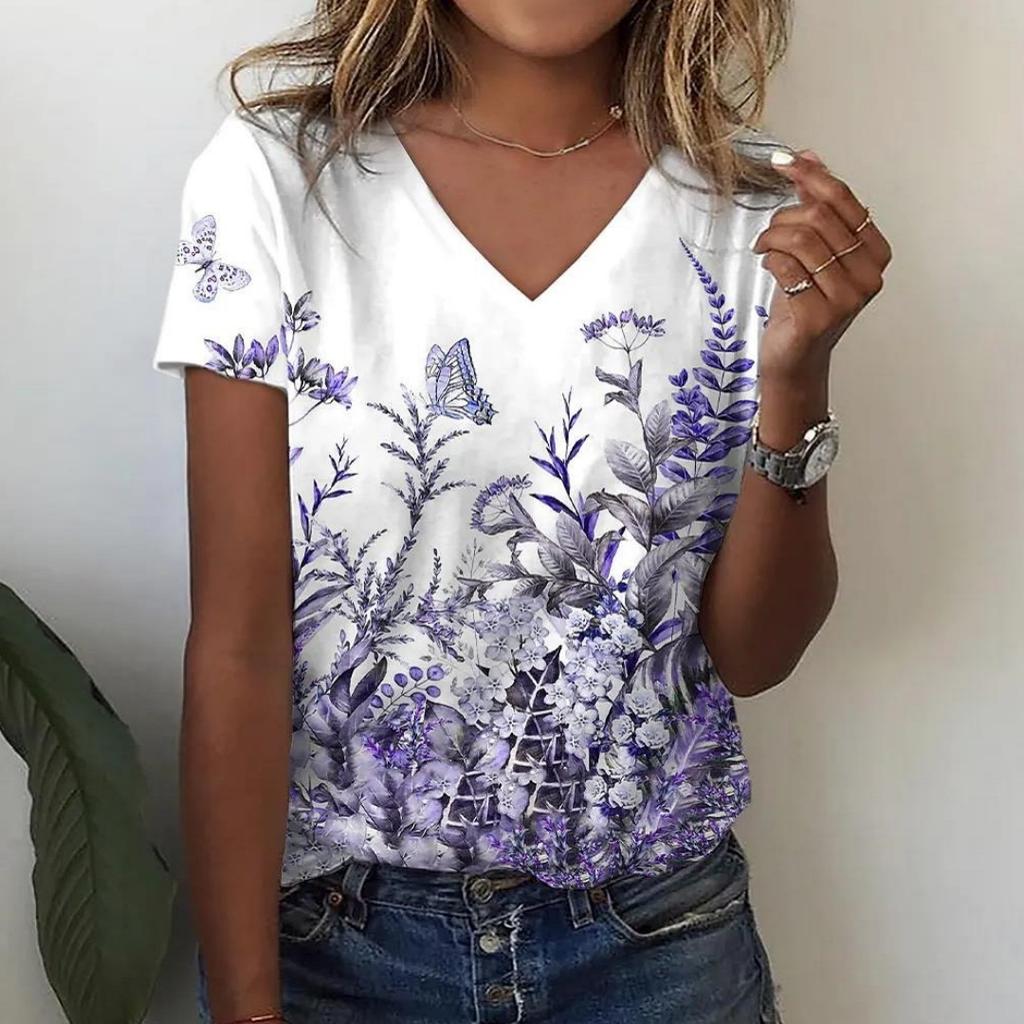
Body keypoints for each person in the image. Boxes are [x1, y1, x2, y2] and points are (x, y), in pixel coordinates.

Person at [152, 2, 891, 1022]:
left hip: (655, 946)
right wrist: (244, 1005)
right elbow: (238, 645)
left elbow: (753, 656)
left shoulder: (754, 213)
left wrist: (798, 378)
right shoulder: (281, 179)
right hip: (336, 946)